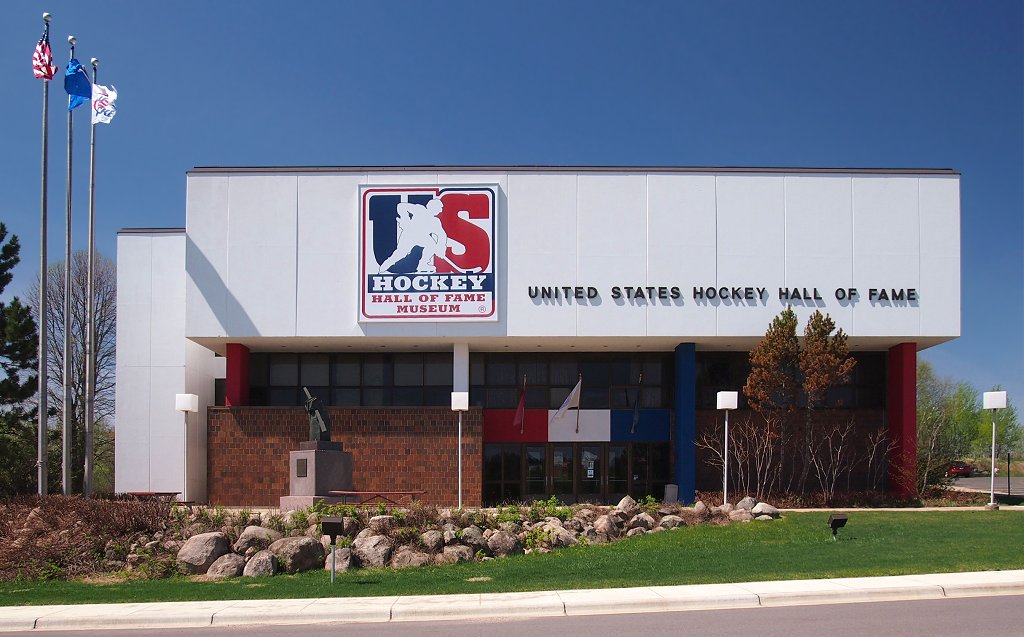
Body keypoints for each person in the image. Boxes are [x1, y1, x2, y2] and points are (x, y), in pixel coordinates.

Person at [378, 198, 448, 274]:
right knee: (400, 253)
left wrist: (441, 248)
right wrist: (405, 220)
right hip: (410, 234)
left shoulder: (435, 221)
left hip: (422, 237)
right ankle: (384, 267)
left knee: (431, 244)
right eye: (439, 208)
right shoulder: (420, 209)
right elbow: (401, 206)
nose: (440, 211)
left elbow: (442, 235)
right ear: (433, 207)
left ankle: (423, 264)